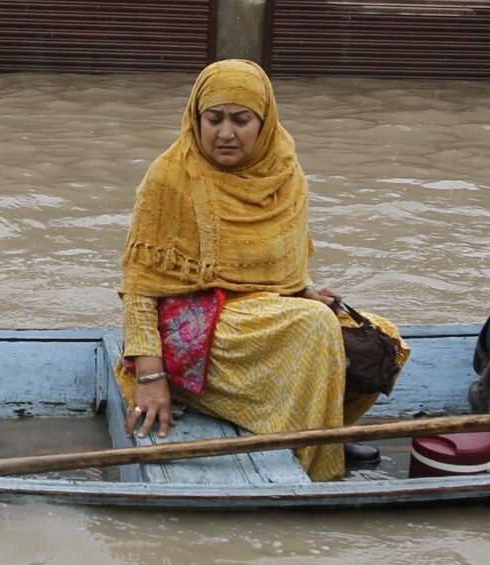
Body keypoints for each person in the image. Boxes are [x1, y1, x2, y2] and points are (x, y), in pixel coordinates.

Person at [116, 60, 406, 481]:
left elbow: (279, 264)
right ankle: (316, 465)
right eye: (213, 119)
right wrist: (150, 376)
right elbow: (139, 287)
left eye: (241, 120)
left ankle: (320, 431)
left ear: (264, 123)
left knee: (383, 340)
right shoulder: (170, 177)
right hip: (193, 329)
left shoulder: (284, 172)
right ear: (196, 119)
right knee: (313, 327)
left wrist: (301, 290)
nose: (226, 133)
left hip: (266, 316)